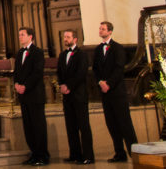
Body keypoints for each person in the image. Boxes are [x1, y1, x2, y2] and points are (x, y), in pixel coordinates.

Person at [93, 21, 137, 163]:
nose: (100, 31)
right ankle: (119, 153)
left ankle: (134, 152)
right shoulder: (98, 49)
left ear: (110, 31)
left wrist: (109, 83)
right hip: (105, 93)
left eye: (103, 29)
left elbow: (119, 68)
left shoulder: (117, 48)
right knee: (111, 124)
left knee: (124, 123)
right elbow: (95, 69)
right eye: (100, 28)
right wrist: (100, 82)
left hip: (117, 91)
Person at [58, 29, 94, 165]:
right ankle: (75, 154)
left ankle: (88, 155)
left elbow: (81, 73)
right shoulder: (62, 55)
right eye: (64, 37)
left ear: (75, 39)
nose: (65, 39)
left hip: (78, 94)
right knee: (71, 126)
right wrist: (62, 84)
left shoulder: (82, 54)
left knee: (83, 126)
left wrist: (69, 86)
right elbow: (59, 72)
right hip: (67, 96)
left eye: (68, 37)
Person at [14, 26, 49, 165]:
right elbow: (17, 71)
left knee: (38, 126)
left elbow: (37, 72)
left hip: (34, 94)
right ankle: (34, 153)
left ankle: (42, 155)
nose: (20, 37)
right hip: (23, 95)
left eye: (22, 34)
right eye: (19, 35)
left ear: (30, 37)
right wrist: (16, 83)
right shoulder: (19, 53)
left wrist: (25, 86)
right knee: (28, 126)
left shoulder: (37, 52)